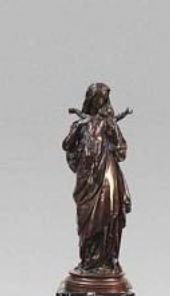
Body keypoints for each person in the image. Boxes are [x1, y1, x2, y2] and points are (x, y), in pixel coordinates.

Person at [62, 83, 132, 273]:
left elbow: (121, 149)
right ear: (91, 100)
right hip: (87, 178)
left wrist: (113, 146)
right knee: (86, 220)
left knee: (108, 214)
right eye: (97, 99)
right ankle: (88, 260)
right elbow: (67, 145)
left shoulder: (109, 123)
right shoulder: (80, 124)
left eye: (103, 99)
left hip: (107, 175)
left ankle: (107, 260)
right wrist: (79, 127)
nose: (100, 103)